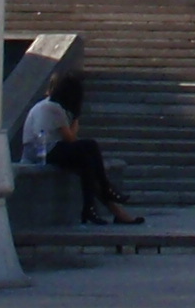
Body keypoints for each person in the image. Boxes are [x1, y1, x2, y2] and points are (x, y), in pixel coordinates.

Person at [20, 74, 143, 226]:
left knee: (87, 164)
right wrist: (76, 119)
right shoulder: (53, 108)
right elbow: (71, 138)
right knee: (90, 146)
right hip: (41, 152)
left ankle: (94, 208)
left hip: (43, 149)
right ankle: (105, 193)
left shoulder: (47, 105)